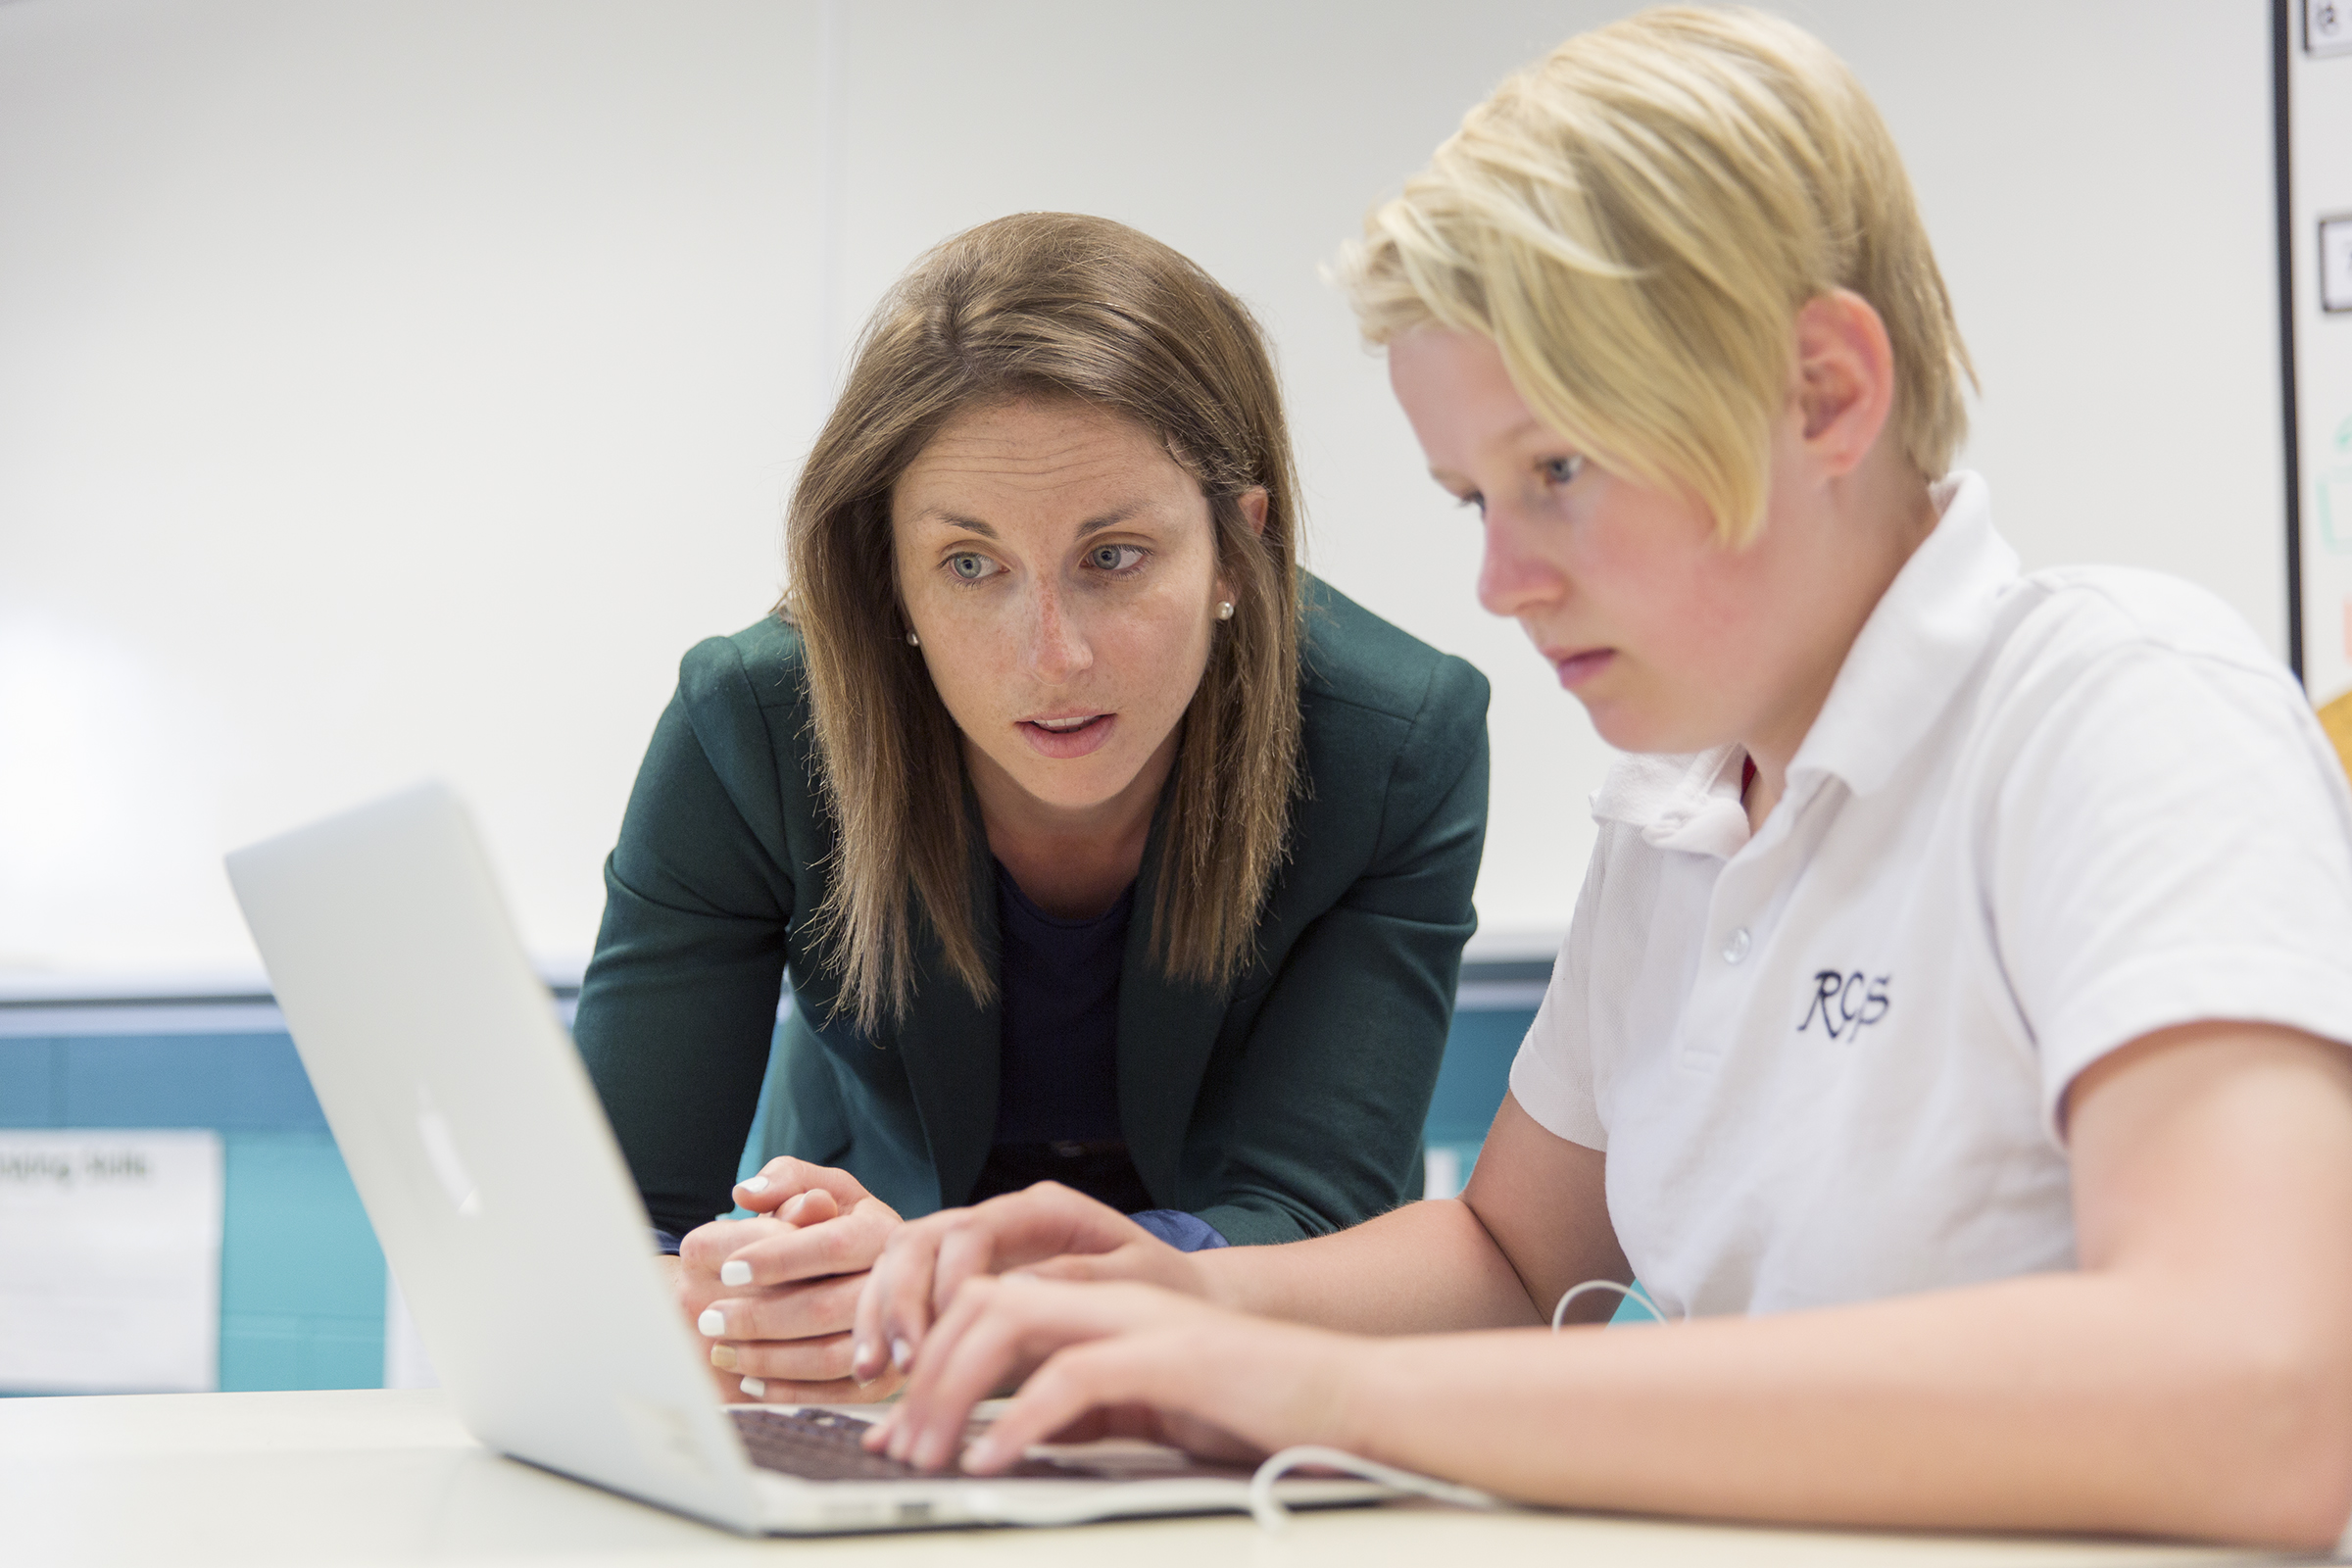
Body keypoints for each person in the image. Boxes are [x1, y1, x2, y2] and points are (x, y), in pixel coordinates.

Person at [845, 9, 2352, 1549]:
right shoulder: (1684, 805)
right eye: (1474, 498)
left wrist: (1324, 1396)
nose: (1500, 582)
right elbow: (1512, 1262)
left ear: (1827, 393)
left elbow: (2266, 1392)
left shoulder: (2122, 711)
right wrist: (1179, 1300)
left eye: (1558, 471)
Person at [570, 213, 1491, 1406]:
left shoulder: (1397, 739)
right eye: (969, 564)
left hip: (1229, 1348)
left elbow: (1314, 1215)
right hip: (862, 1342)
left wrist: (953, 1293)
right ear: (885, 570)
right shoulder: (749, 722)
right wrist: (761, 1295)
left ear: (1233, 547)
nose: (1049, 658)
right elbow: (616, 1221)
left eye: (1113, 557)